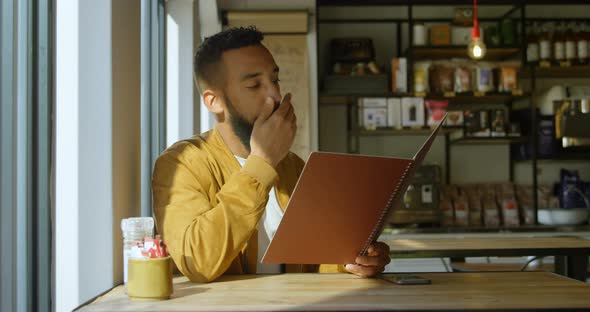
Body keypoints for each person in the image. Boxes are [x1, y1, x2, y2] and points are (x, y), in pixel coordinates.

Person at [152, 27, 390, 283]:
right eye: (254, 85)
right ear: (214, 102)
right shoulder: (181, 163)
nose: (275, 96)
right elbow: (196, 261)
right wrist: (262, 163)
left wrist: (352, 262)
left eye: (274, 80)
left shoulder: (294, 167)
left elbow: (315, 262)